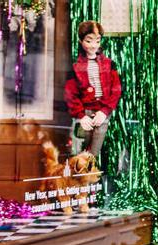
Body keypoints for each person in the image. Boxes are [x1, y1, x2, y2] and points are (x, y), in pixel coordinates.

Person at [64, 21, 122, 156]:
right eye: (89, 41)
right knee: (79, 151)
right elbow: (70, 93)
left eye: (97, 41)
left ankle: (91, 174)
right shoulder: (76, 66)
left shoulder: (109, 64)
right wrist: (81, 115)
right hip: (84, 112)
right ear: (81, 41)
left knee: (94, 152)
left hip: (102, 112)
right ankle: (78, 175)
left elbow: (116, 90)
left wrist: (105, 111)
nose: (93, 46)